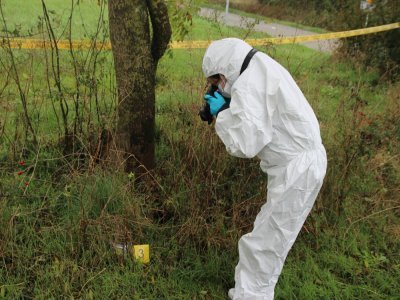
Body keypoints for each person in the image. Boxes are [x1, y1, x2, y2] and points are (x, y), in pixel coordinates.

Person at [201, 38, 327, 299]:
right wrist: (227, 107)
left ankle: (251, 296)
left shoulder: (249, 83)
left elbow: (244, 143)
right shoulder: (259, 68)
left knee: (265, 243)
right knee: (268, 235)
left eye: (218, 83)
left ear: (224, 73)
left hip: (298, 170)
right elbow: (257, 120)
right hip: (295, 167)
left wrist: (223, 114)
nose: (220, 88)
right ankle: (248, 292)